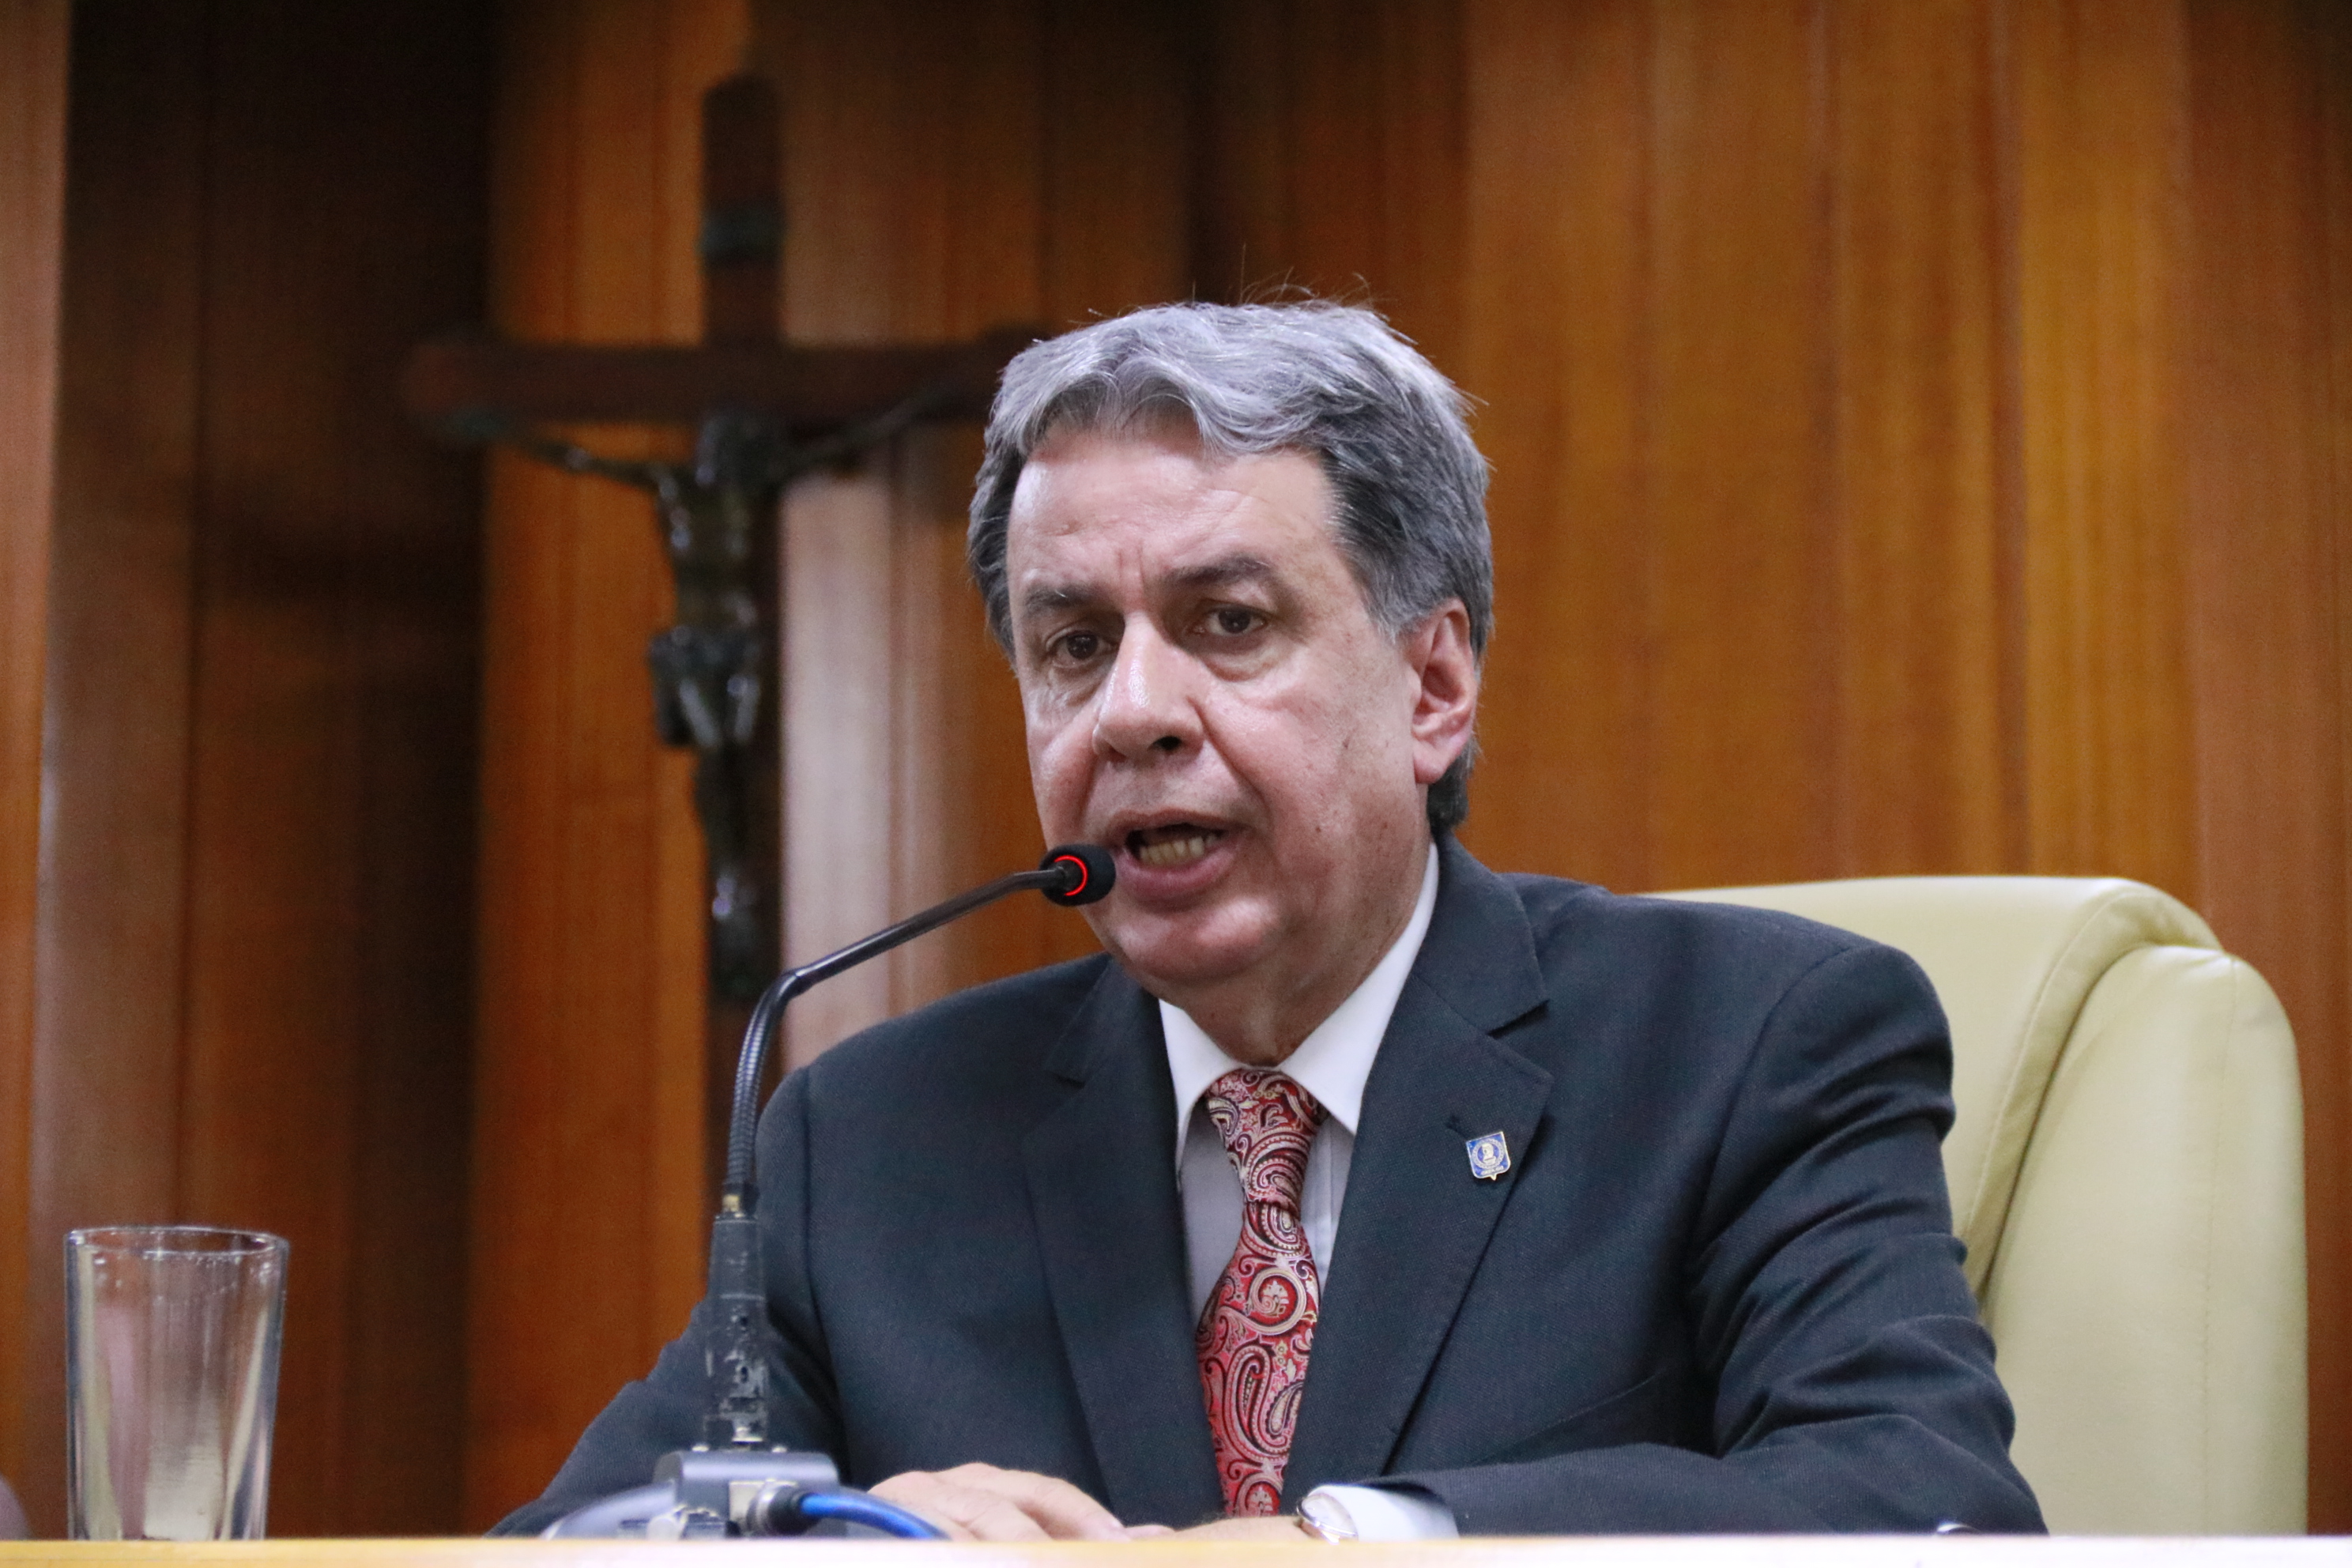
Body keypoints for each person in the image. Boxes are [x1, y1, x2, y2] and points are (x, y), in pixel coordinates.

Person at [499, 301, 2042, 1541]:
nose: (1134, 711)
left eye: (1228, 623)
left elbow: (1923, 1501)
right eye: (1072, 644)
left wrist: (1358, 1542)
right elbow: (572, 1544)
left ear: (1433, 686)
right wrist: (834, 1533)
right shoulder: (872, 1139)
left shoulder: (1747, 1047)